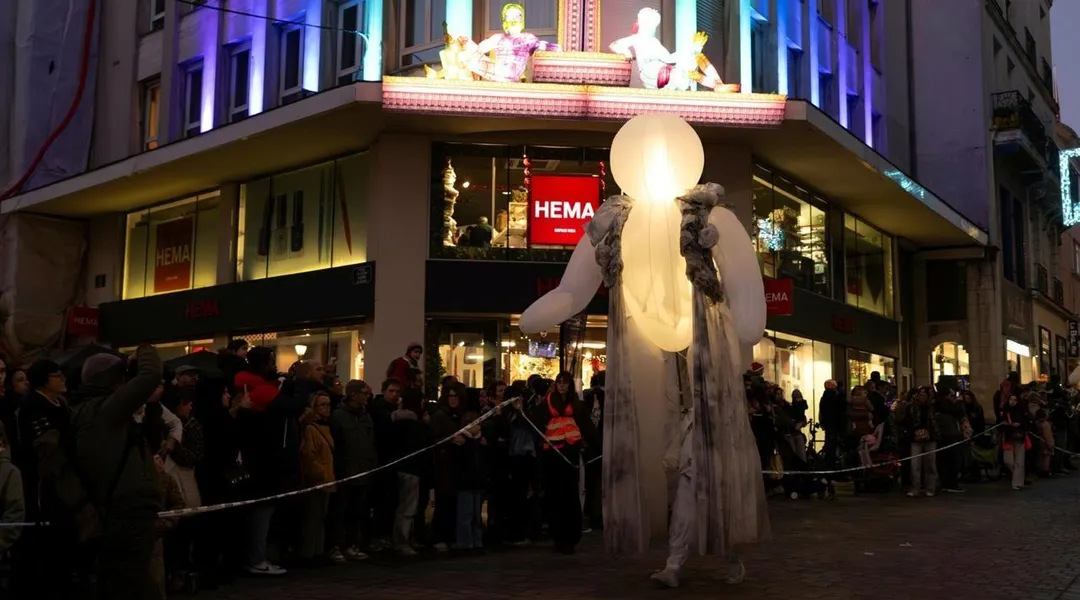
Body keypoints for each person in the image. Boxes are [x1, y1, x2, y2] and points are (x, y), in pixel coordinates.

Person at [71, 344, 165, 599]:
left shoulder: (86, 410)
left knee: (126, 581)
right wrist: (142, 350)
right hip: (127, 512)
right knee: (130, 583)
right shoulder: (105, 410)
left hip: (117, 510)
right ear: (114, 381)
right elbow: (151, 374)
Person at [533, 371, 595, 555]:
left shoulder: (577, 405)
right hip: (553, 454)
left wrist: (594, 446)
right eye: (559, 382)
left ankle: (570, 536)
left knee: (570, 495)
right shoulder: (547, 403)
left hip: (570, 453)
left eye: (565, 383)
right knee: (555, 495)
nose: (562, 385)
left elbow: (587, 427)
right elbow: (535, 422)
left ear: (569, 385)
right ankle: (558, 536)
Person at [328, 380, 379, 562]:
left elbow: (370, 442)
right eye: (364, 393)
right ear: (353, 395)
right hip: (345, 472)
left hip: (363, 471)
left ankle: (352, 544)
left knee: (357, 512)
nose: (367, 397)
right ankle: (334, 546)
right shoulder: (339, 416)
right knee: (339, 512)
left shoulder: (366, 416)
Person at [390, 389, 430, 556]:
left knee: (404, 506)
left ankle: (405, 538)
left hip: (400, 468)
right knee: (407, 507)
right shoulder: (414, 425)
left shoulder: (395, 421)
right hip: (411, 469)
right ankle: (402, 541)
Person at [298, 391, 335, 565]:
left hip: (327, 477)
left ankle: (318, 551)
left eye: (328, 404)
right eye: (322, 405)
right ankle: (309, 553)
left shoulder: (326, 427)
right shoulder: (311, 429)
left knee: (321, 517)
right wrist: (320, 473)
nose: (327, 408)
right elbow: (309, 455)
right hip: (317, 479)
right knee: (312, 517)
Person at [903, 387, 938, 497]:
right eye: (920, 394)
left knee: (930, 465)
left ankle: (930, 488)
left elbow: (935, 423)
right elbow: (907, 421)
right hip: (915, 438)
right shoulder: (911, 407)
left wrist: (931, 432)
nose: (922, 397)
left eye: (924, 394)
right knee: (915, 465)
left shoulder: (933, 407)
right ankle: (915, 488)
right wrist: (914, 432)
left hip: (930, 438)